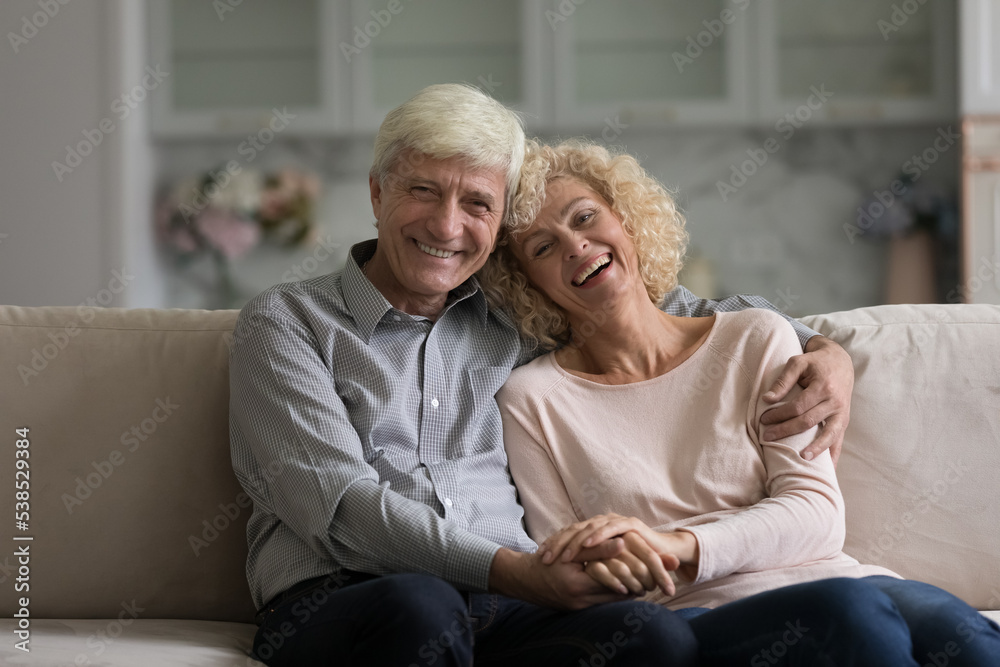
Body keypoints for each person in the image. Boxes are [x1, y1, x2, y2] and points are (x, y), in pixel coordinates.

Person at [229, 84, 850, 666]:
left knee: (650, 633)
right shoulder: (288, 322)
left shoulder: (512, 312)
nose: (447, 226)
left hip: (510, 605)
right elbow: (340, 511)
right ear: (376, 193)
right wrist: (518, 572)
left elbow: (653, 306)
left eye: (477, 203)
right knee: (422, 606)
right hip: (345, 595)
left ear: (497, 225)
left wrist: (825, 350)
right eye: (422, 190)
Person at [483, 138, 1000, 666]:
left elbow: (816, 515)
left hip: (841, 576)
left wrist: (677, 545)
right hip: (699, 613)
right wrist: (614, 561)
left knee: (963, 636)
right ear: (528, 283)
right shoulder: (532, 401)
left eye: (586, 216)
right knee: (852, 616)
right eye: (543, 247)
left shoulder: (755, 338)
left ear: (628, 220)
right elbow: (571, 568)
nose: (575, 245)